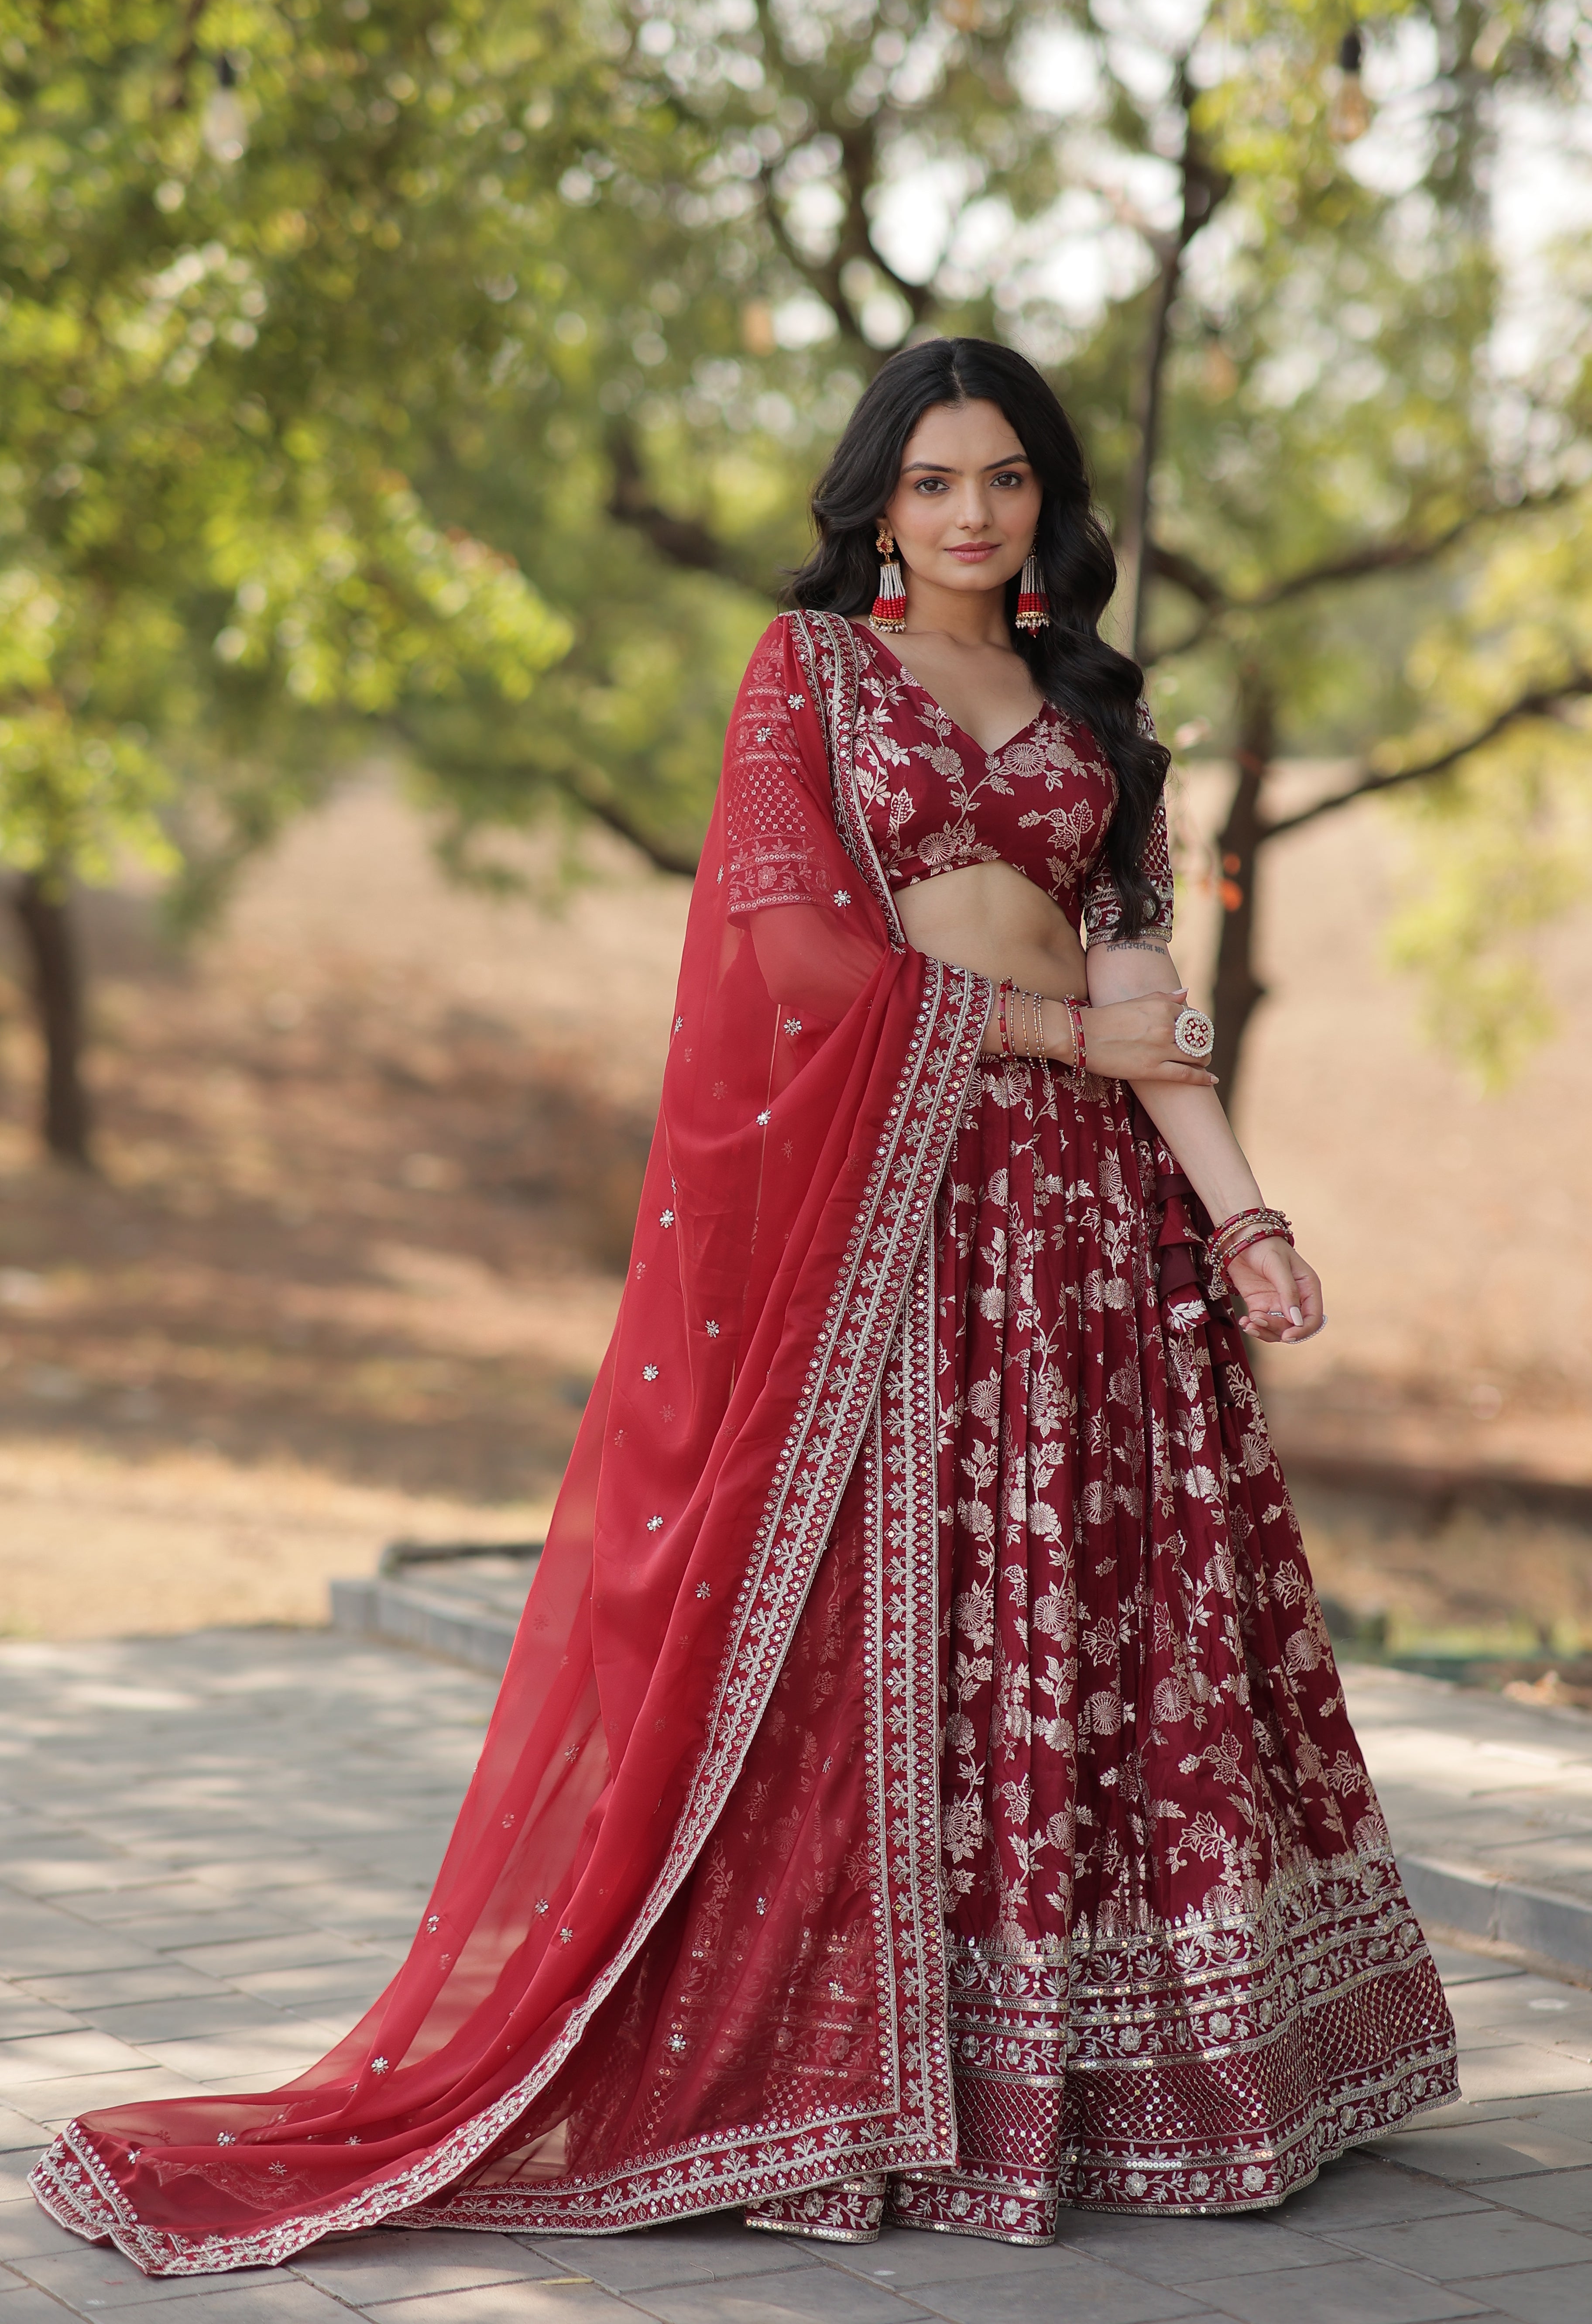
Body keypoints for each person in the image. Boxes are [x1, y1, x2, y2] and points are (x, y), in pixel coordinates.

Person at [32, 338, 1456, 2274]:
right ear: (877, 495)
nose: (974, 513)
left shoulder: (1104, 719)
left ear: (1049, 504)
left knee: (1104, 1624)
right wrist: (1035, 1034)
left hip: (1093, 1237)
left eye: (1009, 480)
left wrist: (1252, 1219)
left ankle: (1124, 2087)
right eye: (938, 479)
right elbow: (791, 952)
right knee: (894, 1634)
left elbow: (1145, 1014)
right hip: (894, 1220)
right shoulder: (814, 676)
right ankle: (853, 2073)